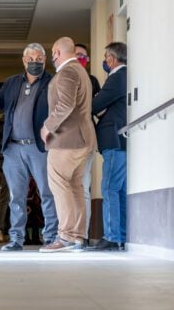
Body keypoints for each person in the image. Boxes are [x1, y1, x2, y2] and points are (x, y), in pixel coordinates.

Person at [0, 43, 58, 251]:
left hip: (40, 148)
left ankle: (50, 237)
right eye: (31, 59)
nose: (35, 63)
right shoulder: (13, 82)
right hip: (13, 149)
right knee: (16, 196)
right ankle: (16, 239)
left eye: (39, 59)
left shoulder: (52, 82)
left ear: (45, 60)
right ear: (24, 61)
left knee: (47, 193)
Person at [39, 37, 97, 253]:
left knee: (60, 185)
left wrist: (47, 127)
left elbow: (65, 104)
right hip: (83, 139)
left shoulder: (68, 72)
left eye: (52, 54)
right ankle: (77, 237)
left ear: (56, 52)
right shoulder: (80, 71)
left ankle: (65, 237)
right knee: (75, 187)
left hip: (67, 140)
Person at [92, 42, 128, 251]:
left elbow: (95, 105)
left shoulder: (116, 78)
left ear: (112, 59)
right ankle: (119, 235)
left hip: (114, 140)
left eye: (106, 57)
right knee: (119, 189)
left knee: (109, 187)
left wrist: (99, 104)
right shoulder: (122, 77)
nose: (105, 61)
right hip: (119, 141)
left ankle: (112, 236)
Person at [76, 43, 101, 241]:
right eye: (76, 55)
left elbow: (99, 108)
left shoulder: (92, 81)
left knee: (84, 187)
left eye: (83, 56)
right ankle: (64, 233)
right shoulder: (59, 79)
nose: (80, 58)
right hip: (63, 141)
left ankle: (81, 236)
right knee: (64, 188)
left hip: (85, 139)